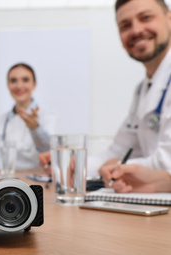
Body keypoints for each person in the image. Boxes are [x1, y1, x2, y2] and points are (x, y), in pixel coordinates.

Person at [41, 0, 171, 192]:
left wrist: (116, 168)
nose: (136, 30)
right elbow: (120, 150)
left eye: (146, 18)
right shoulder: (143, 88)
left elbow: (166, 161)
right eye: (125, 25)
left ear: (169, 18)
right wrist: (77, 164)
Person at [0, 63, 57, 170]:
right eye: (13, 81)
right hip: (10, 179)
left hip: (37, 180)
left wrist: (35, 128)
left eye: (25, 80)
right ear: (8, 86)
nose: (19, 86)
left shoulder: (49, 116)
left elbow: (48, 149)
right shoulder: (2, 120)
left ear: (34, 84)